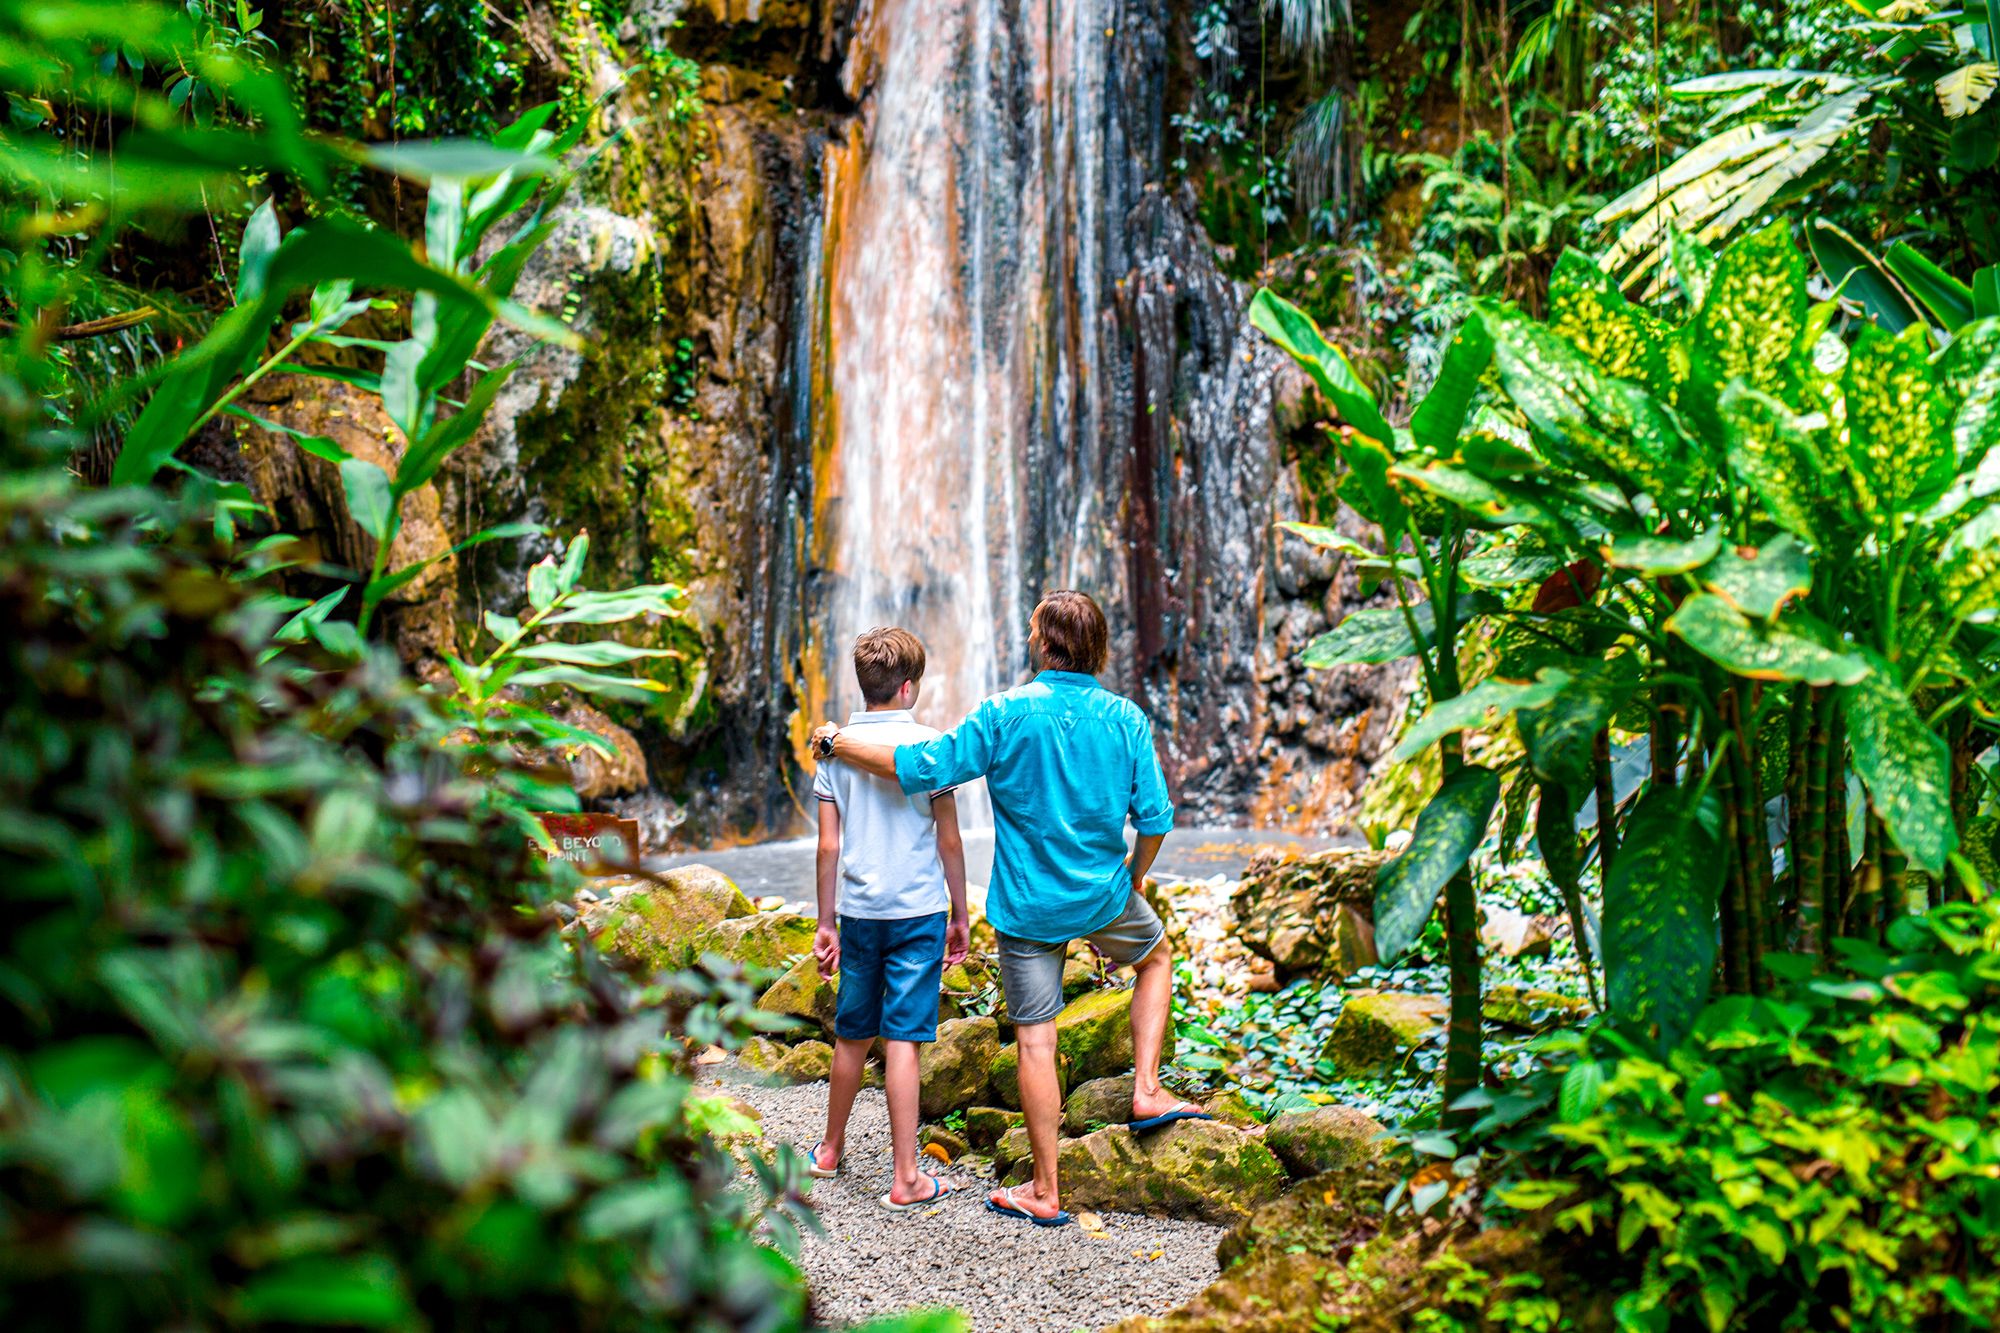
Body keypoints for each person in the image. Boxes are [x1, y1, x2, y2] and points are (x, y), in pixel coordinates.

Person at [810, 590, 1204, 1228]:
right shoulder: (1127, 718)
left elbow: (918, 765)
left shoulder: (1002, 714)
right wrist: (1131, 880)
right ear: (1096, 647)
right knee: (1155, 959)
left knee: (1035, 1040)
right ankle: (1147, 1088)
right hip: (1103, 895)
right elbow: (1156, 820)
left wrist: (835, 742)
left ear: (1042, 644)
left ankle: (1046, 1190)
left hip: (1024, 907)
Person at [804, 627, 971, 1211]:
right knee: (904, 1038)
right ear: (908, 688)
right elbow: (949, 840)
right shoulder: (932, 747)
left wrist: (826, 922)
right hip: (919, 909)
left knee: (852, 1031)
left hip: (859, 910)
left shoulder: (834, 748)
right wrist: (961, 911)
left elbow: (829, 848)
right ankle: (906, 1177)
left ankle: (828, 1150)